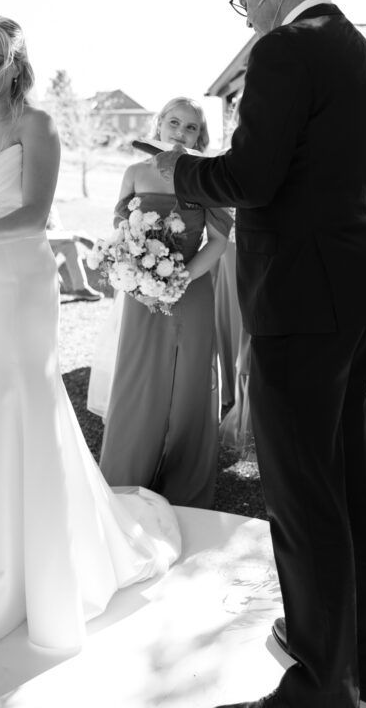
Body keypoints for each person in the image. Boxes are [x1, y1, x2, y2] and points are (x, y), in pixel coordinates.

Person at [154, 0, 366, 708]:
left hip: (295, 295)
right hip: (354, 289)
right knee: (348, 482)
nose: (241, 15)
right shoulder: (360, 55)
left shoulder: (285, 51)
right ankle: (360, 657)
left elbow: (249, 177)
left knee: (301, 492)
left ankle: (321, 684)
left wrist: (176, 169)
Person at [0, 15, 181, 651]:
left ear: (17, 62)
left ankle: (50, 570)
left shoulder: (38, 125)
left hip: (24, 284)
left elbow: (34, 212)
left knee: (30, 403)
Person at [96, 98, 230, 508]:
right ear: (159, 125)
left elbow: (220, 240)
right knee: (139, 379)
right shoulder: (136, 172)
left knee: (189, 385)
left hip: (191, 291)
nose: (181, 132)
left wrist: (180, 279)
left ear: (199, 137)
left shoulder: (206, 176)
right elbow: (120, 230)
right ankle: (126, 480)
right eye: (174, 122)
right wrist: (138, 275)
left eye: (191, 128)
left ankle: (185, 488)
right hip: (141, 293)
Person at [46, 203, 102, 300]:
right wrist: (78, 237)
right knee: (70, 243)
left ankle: (80, 288)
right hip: (34, 244)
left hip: (49, 243)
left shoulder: (51, 204)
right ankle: (55, 280)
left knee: (69, 246)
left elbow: (57, 229)